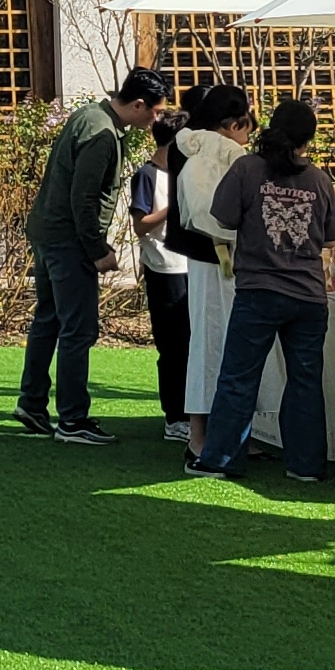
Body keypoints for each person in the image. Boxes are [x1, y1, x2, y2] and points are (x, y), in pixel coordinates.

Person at [12, 65, 172, 446]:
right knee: (78, 329)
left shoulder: (89, 116)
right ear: (138, 105)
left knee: (48, 319)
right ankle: (72, 419)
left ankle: (32, 402)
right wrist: (98, 250)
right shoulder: (102, 135)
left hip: (48, 233)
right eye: (156, 112)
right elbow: (83, 200)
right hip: (68, 241)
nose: (157, 120)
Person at [195, 100, 335, 484]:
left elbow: (222, 218)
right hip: (309, 294)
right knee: (305, 380)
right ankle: (306, 465)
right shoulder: (319, 180)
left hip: (258, 290)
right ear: (309, 139)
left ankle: (221, 459)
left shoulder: (247, 168)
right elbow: (331, 239)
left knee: (238, 376)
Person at [173, 83, 257, 463]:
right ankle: (199, 435)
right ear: (234, 124)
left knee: (216, 343)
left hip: (211, 257)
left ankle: (223, 432)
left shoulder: (192, 147)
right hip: (216, 256)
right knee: (211, 344)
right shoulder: (213, 152)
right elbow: (210, 213)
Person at [129, 118, 190, 444]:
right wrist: (173, 208)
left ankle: (192, 414)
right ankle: (174, 417)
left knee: (192, 344)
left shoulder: (185, 174)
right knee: (173, 346)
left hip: (191, 267)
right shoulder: (147, 175)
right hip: (164, 269)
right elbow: (140, 225)